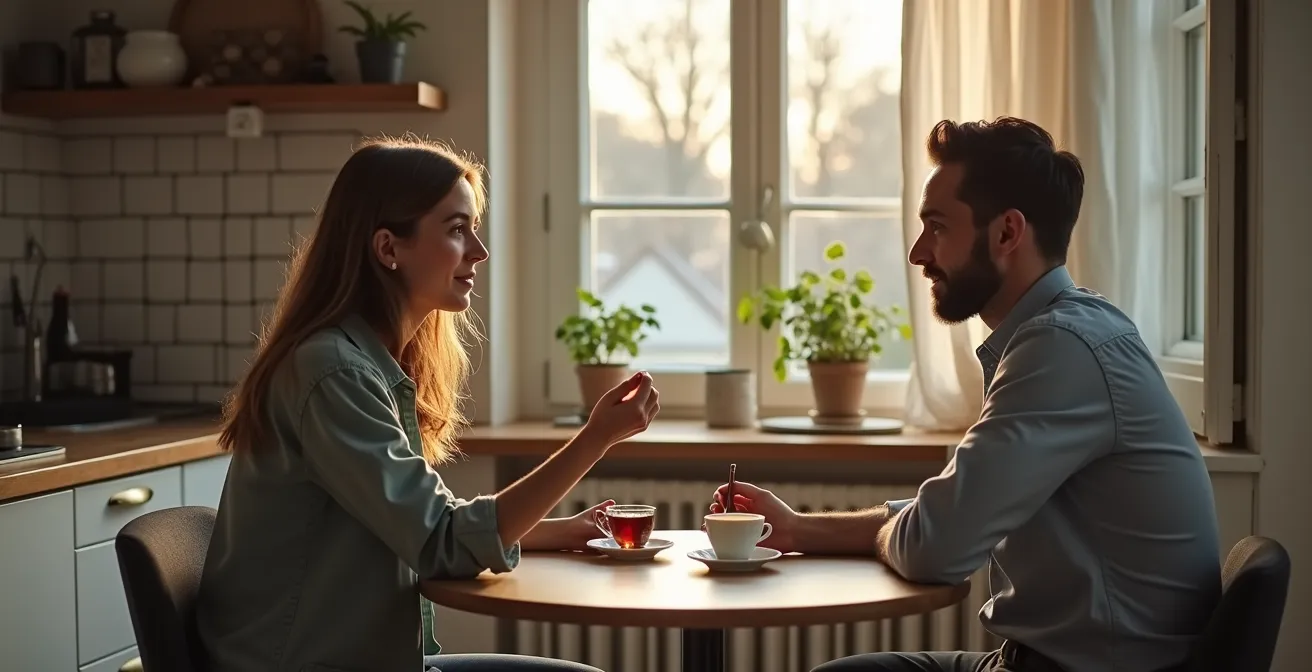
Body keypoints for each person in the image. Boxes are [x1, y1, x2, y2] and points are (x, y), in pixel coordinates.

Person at [709, 117, 1221, 672]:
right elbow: (953, 513)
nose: (917, 253)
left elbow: (937, 546)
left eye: (937, 227)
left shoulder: (1059, 348)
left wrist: (906, 529)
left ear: (1006, 233)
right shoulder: (1066, 331)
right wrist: (799, 529)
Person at [196, 136, 657, 672]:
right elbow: (442, 542)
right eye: (458, 229)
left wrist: (558, 530)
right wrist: (596, 438)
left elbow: (419, 523)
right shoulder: (333, 373)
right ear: (388, 248)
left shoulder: (361, 361)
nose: (479, 252)